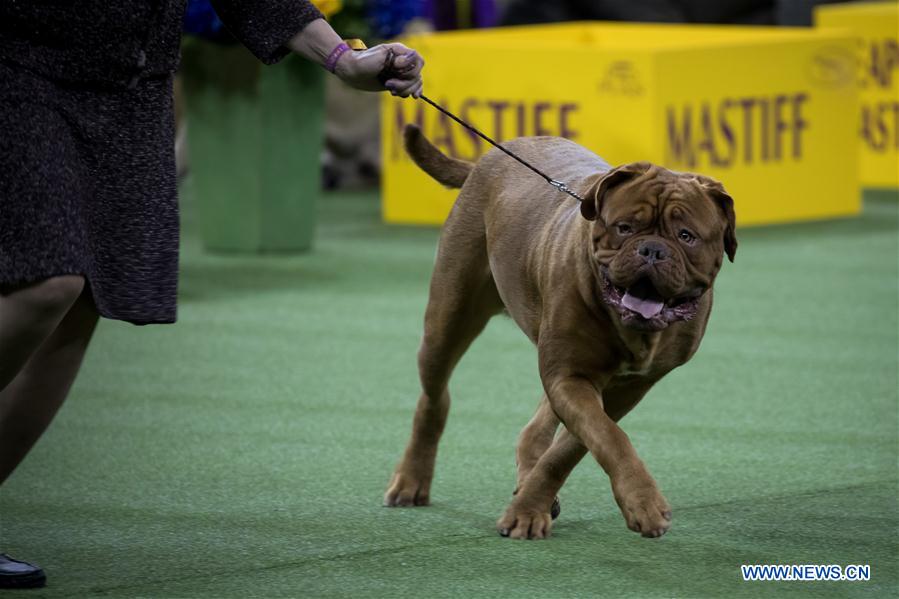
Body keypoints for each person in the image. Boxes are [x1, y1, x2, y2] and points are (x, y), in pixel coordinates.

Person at [0, 0, 424, 589]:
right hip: (19, 69)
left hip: (133, 89)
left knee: (85, 298)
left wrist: (343, 60)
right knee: (47, 283)